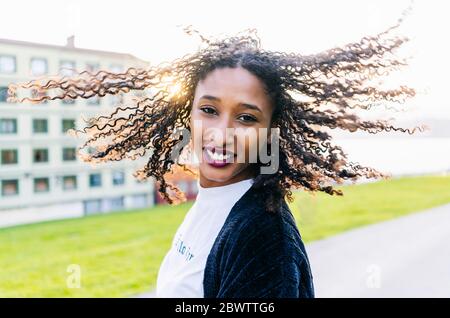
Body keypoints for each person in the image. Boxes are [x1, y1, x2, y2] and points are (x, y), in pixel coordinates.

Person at [8, 10, 425, 298]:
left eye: (246, 118)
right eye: (209, 110)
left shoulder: (264, 239)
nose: (221, 133)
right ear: (187, 113)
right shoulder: (215, 201)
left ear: (270, 133)